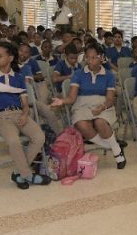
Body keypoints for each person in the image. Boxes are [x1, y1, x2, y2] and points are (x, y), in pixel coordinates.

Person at [0, 41, 49, 189]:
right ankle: (28, 175)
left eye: (0, 56)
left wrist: (24, 114)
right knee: (14, 141)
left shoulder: (18, 77)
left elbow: (24, 102)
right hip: (1, 116)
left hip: (19, 113)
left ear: (10, 58)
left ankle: (19, 173)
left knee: (39, 137)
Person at [52, 41, 127, 169]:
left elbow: (110, 99)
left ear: (101, 58)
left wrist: (102, 107)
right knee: (81, 124)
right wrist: (62, 101)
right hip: (82, 103)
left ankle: (116, 152)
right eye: (87, 57)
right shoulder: (78, 74)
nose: (90, 60)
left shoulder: (109, 75)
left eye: (94, 57)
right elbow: (72, 97)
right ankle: (113, 146)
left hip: (102, 103)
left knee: (100, 122)